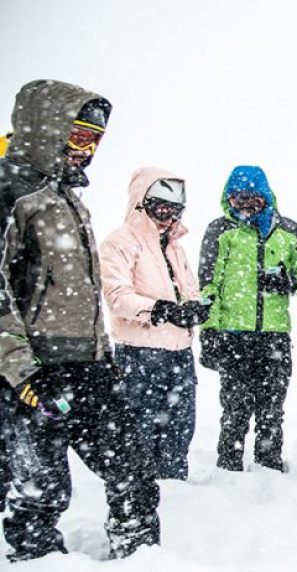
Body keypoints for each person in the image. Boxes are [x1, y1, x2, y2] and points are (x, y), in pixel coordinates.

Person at [0, 79, 160, 561]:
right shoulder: (13, 193)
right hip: (33, 373)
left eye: (95, 138)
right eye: (78, 136)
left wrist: (102, 357)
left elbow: (81, 296)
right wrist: (22, 369)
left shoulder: (69, 198)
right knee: (39, 489)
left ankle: (145, 567)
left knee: (132, 468)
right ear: (46, 130)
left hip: (87, 366)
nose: (87, 149)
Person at [99, 168, 209, 480]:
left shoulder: (176, 247)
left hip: (179, 355)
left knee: (178, 432)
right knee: (138, 435)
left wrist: (194, 308)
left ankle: (176, 491)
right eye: (161, 208)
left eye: (175, 210)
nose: (168, 217)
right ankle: (137, 498)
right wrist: (160, 310)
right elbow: (117, 297)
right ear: (142, 204)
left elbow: (190, 289)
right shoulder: (120, 243)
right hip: (140, 355)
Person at [198, 166, 297, 472]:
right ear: (229, 200)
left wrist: (284, 280)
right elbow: (208, 284)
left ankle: (269, 462)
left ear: (265, 198)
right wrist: (209, 332)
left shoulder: (288, 231)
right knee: (235, 406)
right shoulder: (220, 231)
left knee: (272, 406)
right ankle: (229, 463)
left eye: (252, 200)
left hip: (273, 334)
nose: (245, 207)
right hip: (233, 333)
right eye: (238, 200)